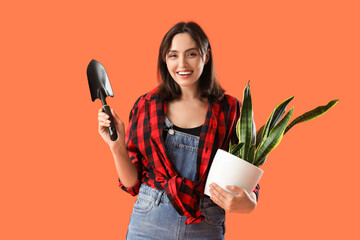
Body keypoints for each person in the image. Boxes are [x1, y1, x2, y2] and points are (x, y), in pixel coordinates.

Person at [97, 22, 259, 240]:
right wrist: (116, 145)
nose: (182, 63)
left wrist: (249, 203)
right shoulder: (146, 105)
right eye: (173, 55)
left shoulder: (231, 110)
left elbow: (248, 174)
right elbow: (131, 183)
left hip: (205, 224)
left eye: (191, 54)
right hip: (148, 223)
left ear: (206, 56)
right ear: (165, 59)